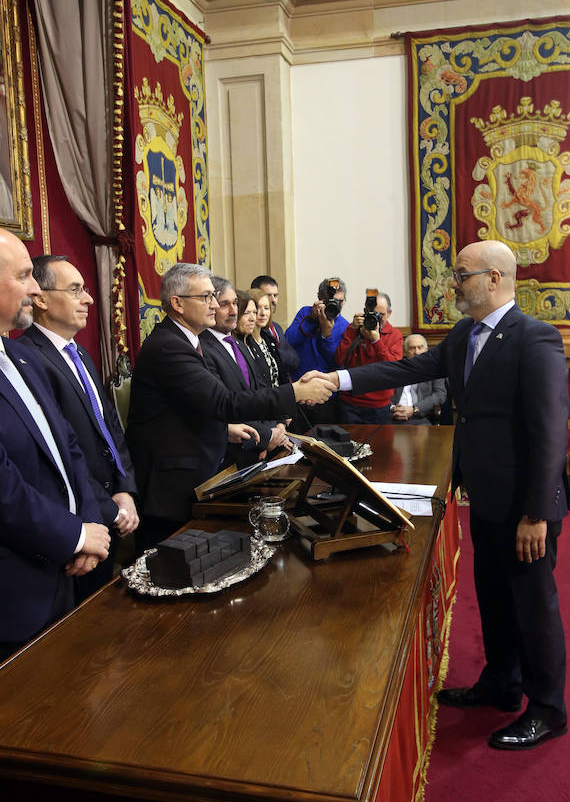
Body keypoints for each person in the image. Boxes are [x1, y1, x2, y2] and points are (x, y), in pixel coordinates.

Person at [303, 240, 570, 751]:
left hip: (524, 505)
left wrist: (537, 512)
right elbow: (406, 371)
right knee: (493, 595)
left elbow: (549, 432)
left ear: (495, 279)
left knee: (532, 605)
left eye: (462, 275)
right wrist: (339, 378)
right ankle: (502, 683)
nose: (454, 283)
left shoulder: (535, 339)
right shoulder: (467, 334)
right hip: (484, 496)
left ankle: (548, 708)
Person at [126, 263, 335, 551]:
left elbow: (188, 406)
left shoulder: (186, 341)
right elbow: (224, 401)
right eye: (206, 297)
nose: (214, 305)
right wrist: (295, 392)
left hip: (195, 473)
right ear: (177, 304)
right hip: (170, 489)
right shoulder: (168, 346)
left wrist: (224, 428)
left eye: (214, 296)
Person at [0, 229, 110, 661]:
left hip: (59, 571)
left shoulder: (21, 356)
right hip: (13, 593)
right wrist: (77, 534)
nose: (33, 288)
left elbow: (68, 447)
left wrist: (86, 523)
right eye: (24, 275)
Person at [20, 255, 139, 600]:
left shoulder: (79, 353)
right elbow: (59, 452)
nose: (88, 299)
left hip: (110, 507)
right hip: (78, 520)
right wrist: (108, 508)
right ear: (40, 298)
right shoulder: (30, 359)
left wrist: (125, 489)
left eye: (85, 289)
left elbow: (110, 427)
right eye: (75, 290)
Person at [200, 277, 291, 467]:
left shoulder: (238, 344)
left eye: (235, 303)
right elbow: (225, 406)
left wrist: (278, 427)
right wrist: (267, 437)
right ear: (210, 305)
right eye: (225, 304)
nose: (234, 311)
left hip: (258, 446)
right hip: (232, 455)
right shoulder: (203, 347)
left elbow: (261, 391)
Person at [286, 276, 348, 425]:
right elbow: (287, 342)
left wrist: (327, 335)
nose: (335, 306)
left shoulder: (346, 326)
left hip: (326, 397)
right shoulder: (305, 313)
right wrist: (311, 319)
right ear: (320, 298)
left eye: (339, 301)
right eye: (330, 301)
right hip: (298, 391)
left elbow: (336, 363)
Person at [335, 291, 403, 424]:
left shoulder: (394, 335)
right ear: (365, 311)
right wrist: (352, 330)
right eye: (372, 313)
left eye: (381, 315)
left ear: (389, 313)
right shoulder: (355, 329)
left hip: (379, 405)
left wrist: (376, 341)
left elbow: (394, 369)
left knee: (380, 444)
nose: (376, 318)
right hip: (351, 403)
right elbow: (339, 360)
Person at [390, 334, 447, 425]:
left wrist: (414, 409)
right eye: (412, 348)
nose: (416, 352)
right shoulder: (396, 369)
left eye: (420, 347)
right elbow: (382, 392)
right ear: (405, 351)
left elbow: (440, 395)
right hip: (393, 417)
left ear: (426, 350)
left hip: (421, 418)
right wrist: (392, 407)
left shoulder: (435, 370)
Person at [250, 274, 299, 377]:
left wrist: (274, 353)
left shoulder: (276, 328)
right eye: (268, 295)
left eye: (275, 295)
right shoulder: (246, 331)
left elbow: (294, 360)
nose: (273, 300)